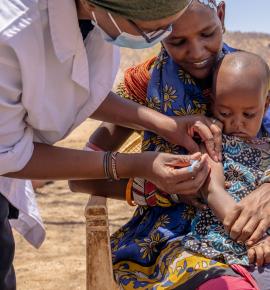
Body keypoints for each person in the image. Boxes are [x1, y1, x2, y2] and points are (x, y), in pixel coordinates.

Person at [0, 0, 225, 289]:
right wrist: (143, 176)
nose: (195, 52)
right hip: (169, 244)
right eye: (166, 36)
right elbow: (10, 155)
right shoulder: (11, 34)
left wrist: (163, 124)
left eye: (166, 28)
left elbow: (79, 87)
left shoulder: (252, 78)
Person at [70, 1, 270, 289]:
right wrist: (157, 188)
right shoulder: (142, 87)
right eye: (177, 40)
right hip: (173, 237)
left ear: (222, 15)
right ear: (156, 30)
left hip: (255, 228)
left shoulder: (253, 80)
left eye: (207, 34)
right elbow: (79, 179)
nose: (197, 52)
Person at [181, 50, 270, 290]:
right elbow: (214, 192)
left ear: (266, 103)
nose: (236, 123)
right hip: (229, 240)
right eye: (225, 113)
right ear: (212, 105)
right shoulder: (214, 145)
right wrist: (255, 238)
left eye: (249, 114)